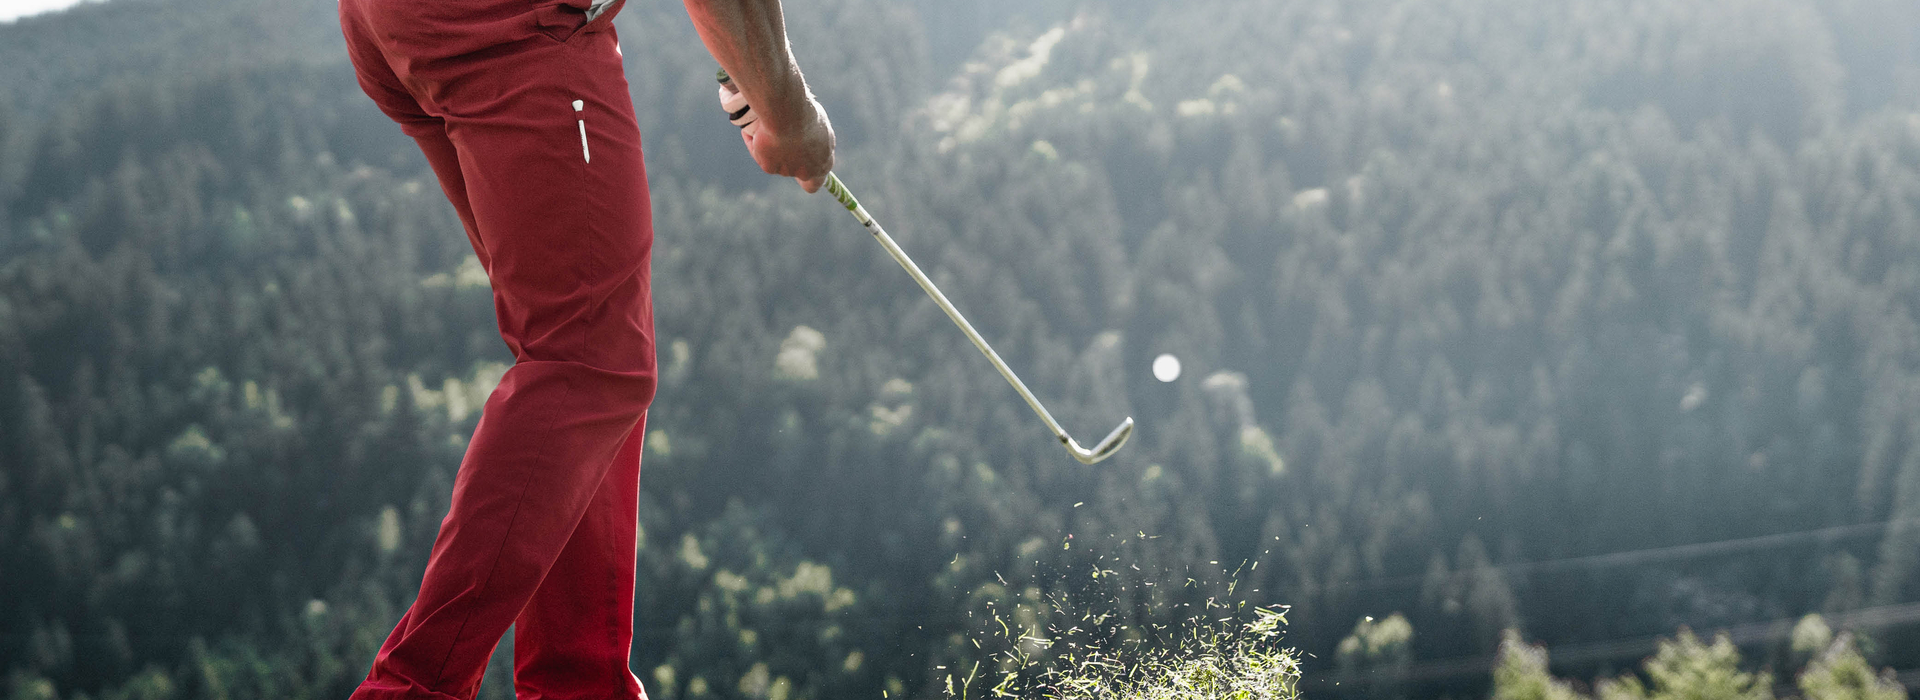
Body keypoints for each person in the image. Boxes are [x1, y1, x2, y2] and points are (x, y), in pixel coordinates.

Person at [335, 0, 833, 697]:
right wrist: (790, 114)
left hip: (397, 25)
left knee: (590, 353)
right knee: (587, 361)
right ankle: (410, 690)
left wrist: (750, 64)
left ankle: (582, 686)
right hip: (506, 28)